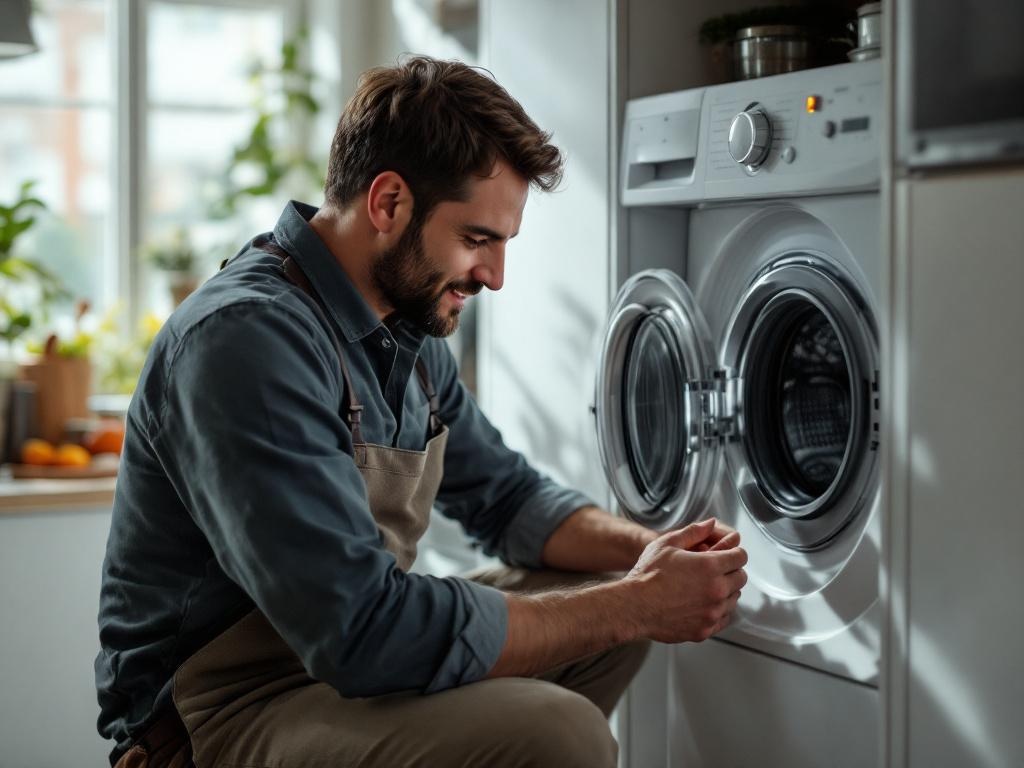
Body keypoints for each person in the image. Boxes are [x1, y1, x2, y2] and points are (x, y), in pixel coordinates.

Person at [95, 55, 747, 768]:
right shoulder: (244, 341)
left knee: (603, 597)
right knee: (562, 727)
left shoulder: (407, 326)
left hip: (337, 671)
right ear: (388, 204)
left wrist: (655, 558)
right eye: (477, 240)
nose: (495, 277)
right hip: (220, 714)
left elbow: (509, 501)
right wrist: (636, 603)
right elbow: (362, 632)